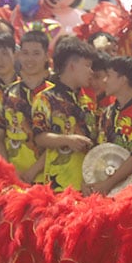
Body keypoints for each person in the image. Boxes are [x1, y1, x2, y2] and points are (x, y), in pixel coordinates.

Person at [31, 39, 98, 192]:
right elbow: (39, 138)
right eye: (87, 65)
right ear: (72, 66)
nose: (91, 71)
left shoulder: (87, 101)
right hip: (59, 183)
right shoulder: (46, 98)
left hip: (87, 182)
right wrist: (67, 140)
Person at [88, 57, 132, 195]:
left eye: (109, 76)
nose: (105, 81)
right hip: (104, 185)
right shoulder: (107, 112)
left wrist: (108, 183)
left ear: (123, 79)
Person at [0, 31, 53, 182]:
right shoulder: (7, 93)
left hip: (46, 177)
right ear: (18, 55)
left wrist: (32, 172)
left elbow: (59, 141)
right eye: (25, 53)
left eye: (36, 53)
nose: (30, 59)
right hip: (11, 176)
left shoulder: (56, 96)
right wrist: (9, 170)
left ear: (46, 56)